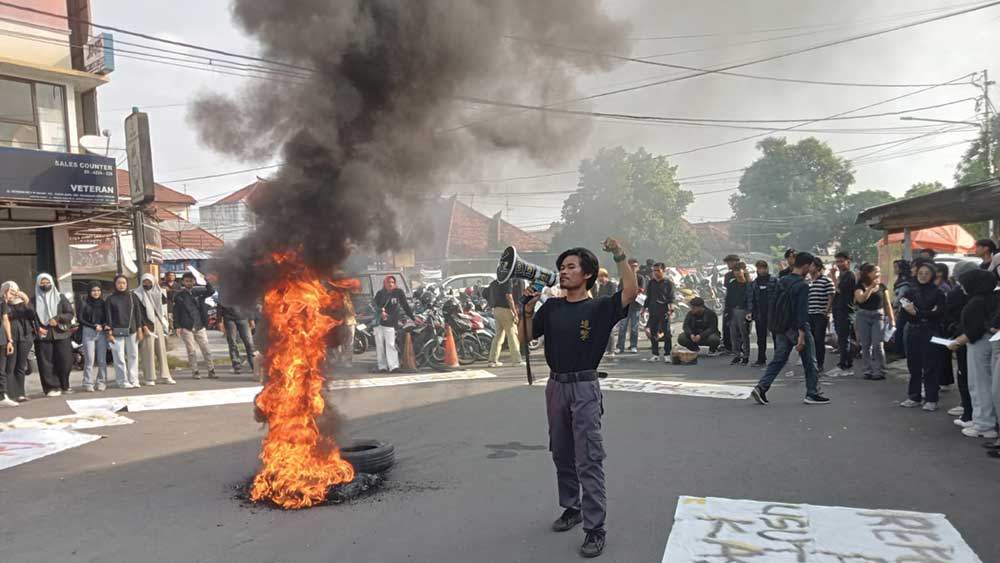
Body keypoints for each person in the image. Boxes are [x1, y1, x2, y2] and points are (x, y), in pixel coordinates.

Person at [520, 238, 637, 558]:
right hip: (555, 386)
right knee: (561, 452)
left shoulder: (600, 307)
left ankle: (595, 527)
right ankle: (571, 507)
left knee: (588, 457)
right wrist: (527, 310)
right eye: (561, 267)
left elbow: (630, 291)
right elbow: (526, 337)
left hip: (585, 386)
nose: (563, 271)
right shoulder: (552, 307)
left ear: (587, 274)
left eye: (570, 267)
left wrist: (619, 255)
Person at [751, 252, 830, 406]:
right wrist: (801, 335)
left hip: (781, 326)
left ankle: (762, 387)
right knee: (810, 360)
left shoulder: (782, 280)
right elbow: (801, 312)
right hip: (797, 328)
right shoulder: (802, 286)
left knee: (779, 358)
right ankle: (812, 393)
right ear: (806, 266)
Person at [946, 269, 999, 439]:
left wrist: (957, 342)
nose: (961, 287)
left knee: (979, 384)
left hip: (979, 345)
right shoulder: (994, 297)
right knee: (989, 385)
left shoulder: (976, 301)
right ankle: (986, 422)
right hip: (989, 344)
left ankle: (983, 425)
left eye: (964, 283)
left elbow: (975, 329)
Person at [898, 261, 945, 410]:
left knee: (930, 366)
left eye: (927, 274)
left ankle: (931, 398)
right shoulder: (910, 291)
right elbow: (905, 312)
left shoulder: (938, 293)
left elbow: (938, 314)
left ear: (932, 275)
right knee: (914, 365)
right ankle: (914, 396)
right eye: (920, 273)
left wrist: (919, 313)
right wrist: (923, 313)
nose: (923, 276)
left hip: (930, 331)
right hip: (912, 331)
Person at [943, 262, 978, 427]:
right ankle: (970, 410)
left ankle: (969, 412)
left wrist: (956, 334)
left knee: (966, 376)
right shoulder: (972, 293)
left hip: (964, 339)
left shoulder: (958, 293)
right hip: (968, 338)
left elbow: (950, 316)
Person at [32, 273, 75, 397]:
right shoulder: (33, 300)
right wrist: (38, 328)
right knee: (46, 362)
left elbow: (69, 314)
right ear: (38, 284)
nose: (45, 285)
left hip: (61, 333)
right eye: (42, 283)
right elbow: (31, 318)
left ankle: (65, 385)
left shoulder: (60, 297)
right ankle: (51, 387)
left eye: (47, 282)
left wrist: (58, 318)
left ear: (52, 283)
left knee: (65, 360)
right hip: (44, 335)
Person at [851, 264, 895, 381]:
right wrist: (870, 287)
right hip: (863, 316)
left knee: (878, 344)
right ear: (868, 273)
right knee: (865, 345)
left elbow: (887, 303)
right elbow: (861, 299)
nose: (878, 274)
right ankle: (867, 370)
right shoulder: (859, 286)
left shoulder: (882, 287)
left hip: (878, 316)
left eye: (879, 271)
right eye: (876, 271)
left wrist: (892, 319)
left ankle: (880, 370)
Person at [105, 275, 149, 389]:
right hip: (116, 331)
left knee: (133, 355)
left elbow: (138, 314)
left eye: (123, 283)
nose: (121, 285)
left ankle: (134, 379)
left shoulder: (132, 296)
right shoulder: (110, 299)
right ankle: (122, 381)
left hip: (132, 330)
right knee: (119, 356)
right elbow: (108, 316)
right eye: (119, 283)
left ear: (127, 284)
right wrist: (109, 332)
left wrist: (139, 329)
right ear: (115, 284)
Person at [173, 272, 216, 379]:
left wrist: (206, 281)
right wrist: (177, 326)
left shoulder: (199, 292)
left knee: (206, 348)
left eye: (191, 280)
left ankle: (211, 370)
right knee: (191, 351)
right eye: (186, 281)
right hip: (186, 326)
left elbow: (211, 291)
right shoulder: (179, 296)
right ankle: (195, 371)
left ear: (194, 281)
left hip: (199, 325)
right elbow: (176, 312)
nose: (188, 283)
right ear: (182, 282)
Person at [135, 273, 175, 385]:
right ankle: (149, 377)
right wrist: (143, 327)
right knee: (148, 351)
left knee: (161, 350)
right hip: (146, 324)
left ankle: (166, 375)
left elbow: (165, 308)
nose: (147, 284)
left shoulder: (159, 292)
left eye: (149, 281)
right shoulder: (137, 294)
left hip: (158, 322)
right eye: (144, 281)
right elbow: (138, 313)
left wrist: (166, 325)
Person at [373, 276, 413, 373]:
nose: (390, 284)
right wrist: (380, 312)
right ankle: (382, 366)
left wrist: (413, 317)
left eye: (392, 282)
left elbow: (405, 305)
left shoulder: (398, 292)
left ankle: (393, 366)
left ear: (395, 283)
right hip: (379, 324)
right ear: (384, 283)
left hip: (390, 323)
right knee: (380, 346)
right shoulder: (380, 293)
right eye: (388, 282)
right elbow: (374, 305)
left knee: (391, 344)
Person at [3, 282, 35, 402]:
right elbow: (9, 316)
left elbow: (32, 314)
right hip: (10, 338)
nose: (13, 293)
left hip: (25, 337)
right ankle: (10, 394)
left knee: (21, 366)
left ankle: (20, 393)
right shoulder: (3, 304)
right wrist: (6, 300)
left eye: (14, 290)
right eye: (9, 291)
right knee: (10, 366)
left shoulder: (22, 303)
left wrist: (25, 298)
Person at [78, 282, 109, 392]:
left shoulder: (104, 303)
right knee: (89, 359)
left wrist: (104, 325)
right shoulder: (84, 303)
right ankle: (88, 382)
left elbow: (107, 318)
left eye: (98, 290)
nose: (96, 293)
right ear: (89, 291)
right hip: (88, 332)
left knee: (102, 359)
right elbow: (80, 319)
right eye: (93, 290)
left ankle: (101, 381)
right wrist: (93, 326)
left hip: (101, 333)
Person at [829, 251, 856, 376]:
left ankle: (845, 364)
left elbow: (839, 289)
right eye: (837, 261)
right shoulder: (842, 275)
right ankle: (845, 363)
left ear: (848, 261)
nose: (839, 264)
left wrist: (833, 277)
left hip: (846, 310)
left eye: (841, 261)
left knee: (845, 338)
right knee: (842, 338)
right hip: (838, 309)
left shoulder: (850, 276)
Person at [746, 260, 777, 367]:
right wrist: (750, 311)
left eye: (763, 267)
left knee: (776, 337)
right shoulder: (754, 283)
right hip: (759, 314)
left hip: (773, 313)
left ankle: (778, 358)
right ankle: (761, 358)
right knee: (761, 338)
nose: (762, 270)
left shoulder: (774, 281)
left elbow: (779, 296)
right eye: (759, 268)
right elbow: (751, 298)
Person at [486, 276, 522, 368]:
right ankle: (517, 360)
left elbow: (485, 293)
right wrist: (514, 312)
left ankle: (492, 360)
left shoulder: (494, 282)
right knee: (512, 334)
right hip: (506, 310)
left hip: (496, 310)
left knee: (498, 335)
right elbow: (509, 297)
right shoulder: (507, 281)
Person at [806, 257, 834, 373]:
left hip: (820, 315)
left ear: (817, 267)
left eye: (811, 266)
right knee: (810, 340)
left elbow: (831, 297)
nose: (809, 268)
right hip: (809, 314)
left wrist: (826, 311)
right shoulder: (807, 282)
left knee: (819, 340)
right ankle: (811, 363)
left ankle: (820, 363)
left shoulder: (826, 281)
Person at [643, 262, 674, 363]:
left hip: (664, 310)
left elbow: (671, 297)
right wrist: (644, 308)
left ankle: (667, 354)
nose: (655, 273)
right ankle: (655, 354)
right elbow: (648, 297)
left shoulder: (668, 283)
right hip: (653, 310)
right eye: (654, 271)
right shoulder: (651, 283)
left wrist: (670, 308)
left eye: (658, 271)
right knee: (653, 333)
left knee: (667, 333)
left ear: (663, 271)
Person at [218, 299, 256, 375]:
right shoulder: (225, 292)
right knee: (232, 342)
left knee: (249, 343)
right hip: (229, 320)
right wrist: (219, 321)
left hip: (243, 318)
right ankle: (236, 365)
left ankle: (253, 365)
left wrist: (251, 319)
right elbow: (219, 307)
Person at [933, 263, 955, 390]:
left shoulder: (944, 287)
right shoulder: (939, 285)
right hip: (940, 322)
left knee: (943, 353)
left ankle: (944, 380)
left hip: (943, 323)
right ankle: (943, 379)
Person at [615, 258, 644, 354]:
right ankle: (620, 346)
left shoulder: (640, 278)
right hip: (625, 306)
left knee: (634, 327)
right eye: (631, 266)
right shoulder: (624, 278)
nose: (633, 268)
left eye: (635, 266)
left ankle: (633, 345)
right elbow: (620, 290)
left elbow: (642, 290)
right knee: (622, 327)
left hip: (636, 306)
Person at [727, 262, 750, 365]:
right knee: (734, 334)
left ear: (744, 270)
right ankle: (737, 355)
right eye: (735, 271)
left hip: (744, 310)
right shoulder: (732, 284)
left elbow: (752, 299)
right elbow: (728, 299)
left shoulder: (749, 284)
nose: (737, 273)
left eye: (739, 270)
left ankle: (746, 356)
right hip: (733, 311)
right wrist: (727, 312)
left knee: (744, 334)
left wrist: (750, 311)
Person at [892, 260, 914, 359]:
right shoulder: (900, 280)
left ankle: (901, 352)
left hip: (904, 309)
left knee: (900, 330)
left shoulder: (905, 282)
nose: (894, 269)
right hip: (901, 308)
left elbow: (901, 296)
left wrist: (895, 305)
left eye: (896, 267)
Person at [594, 269, 617, 357]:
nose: (600, 279)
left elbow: (613, 297)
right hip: (603, 311)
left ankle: (612, 350)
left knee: (611, 331)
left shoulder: (612, 285)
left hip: (611, 310)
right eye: (598, 277)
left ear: (605, 276)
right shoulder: (601, 286)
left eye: (601, 276)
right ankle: (607, 349)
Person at [721, 254, 740, 353]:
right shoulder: (728, 275)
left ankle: (739, 346)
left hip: (740, 303)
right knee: (727, 323)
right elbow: (727, 289)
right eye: (727, 262)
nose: (728, 264)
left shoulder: (744, 274)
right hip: (729, 301)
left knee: (740, 326)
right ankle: (728, 345)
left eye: (730, 262)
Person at [0, 287, 14, 407]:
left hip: (1, 340)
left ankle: (2, 396)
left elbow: (5, 320)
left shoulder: (1, 302)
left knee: (1, 370)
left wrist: (9, 340)